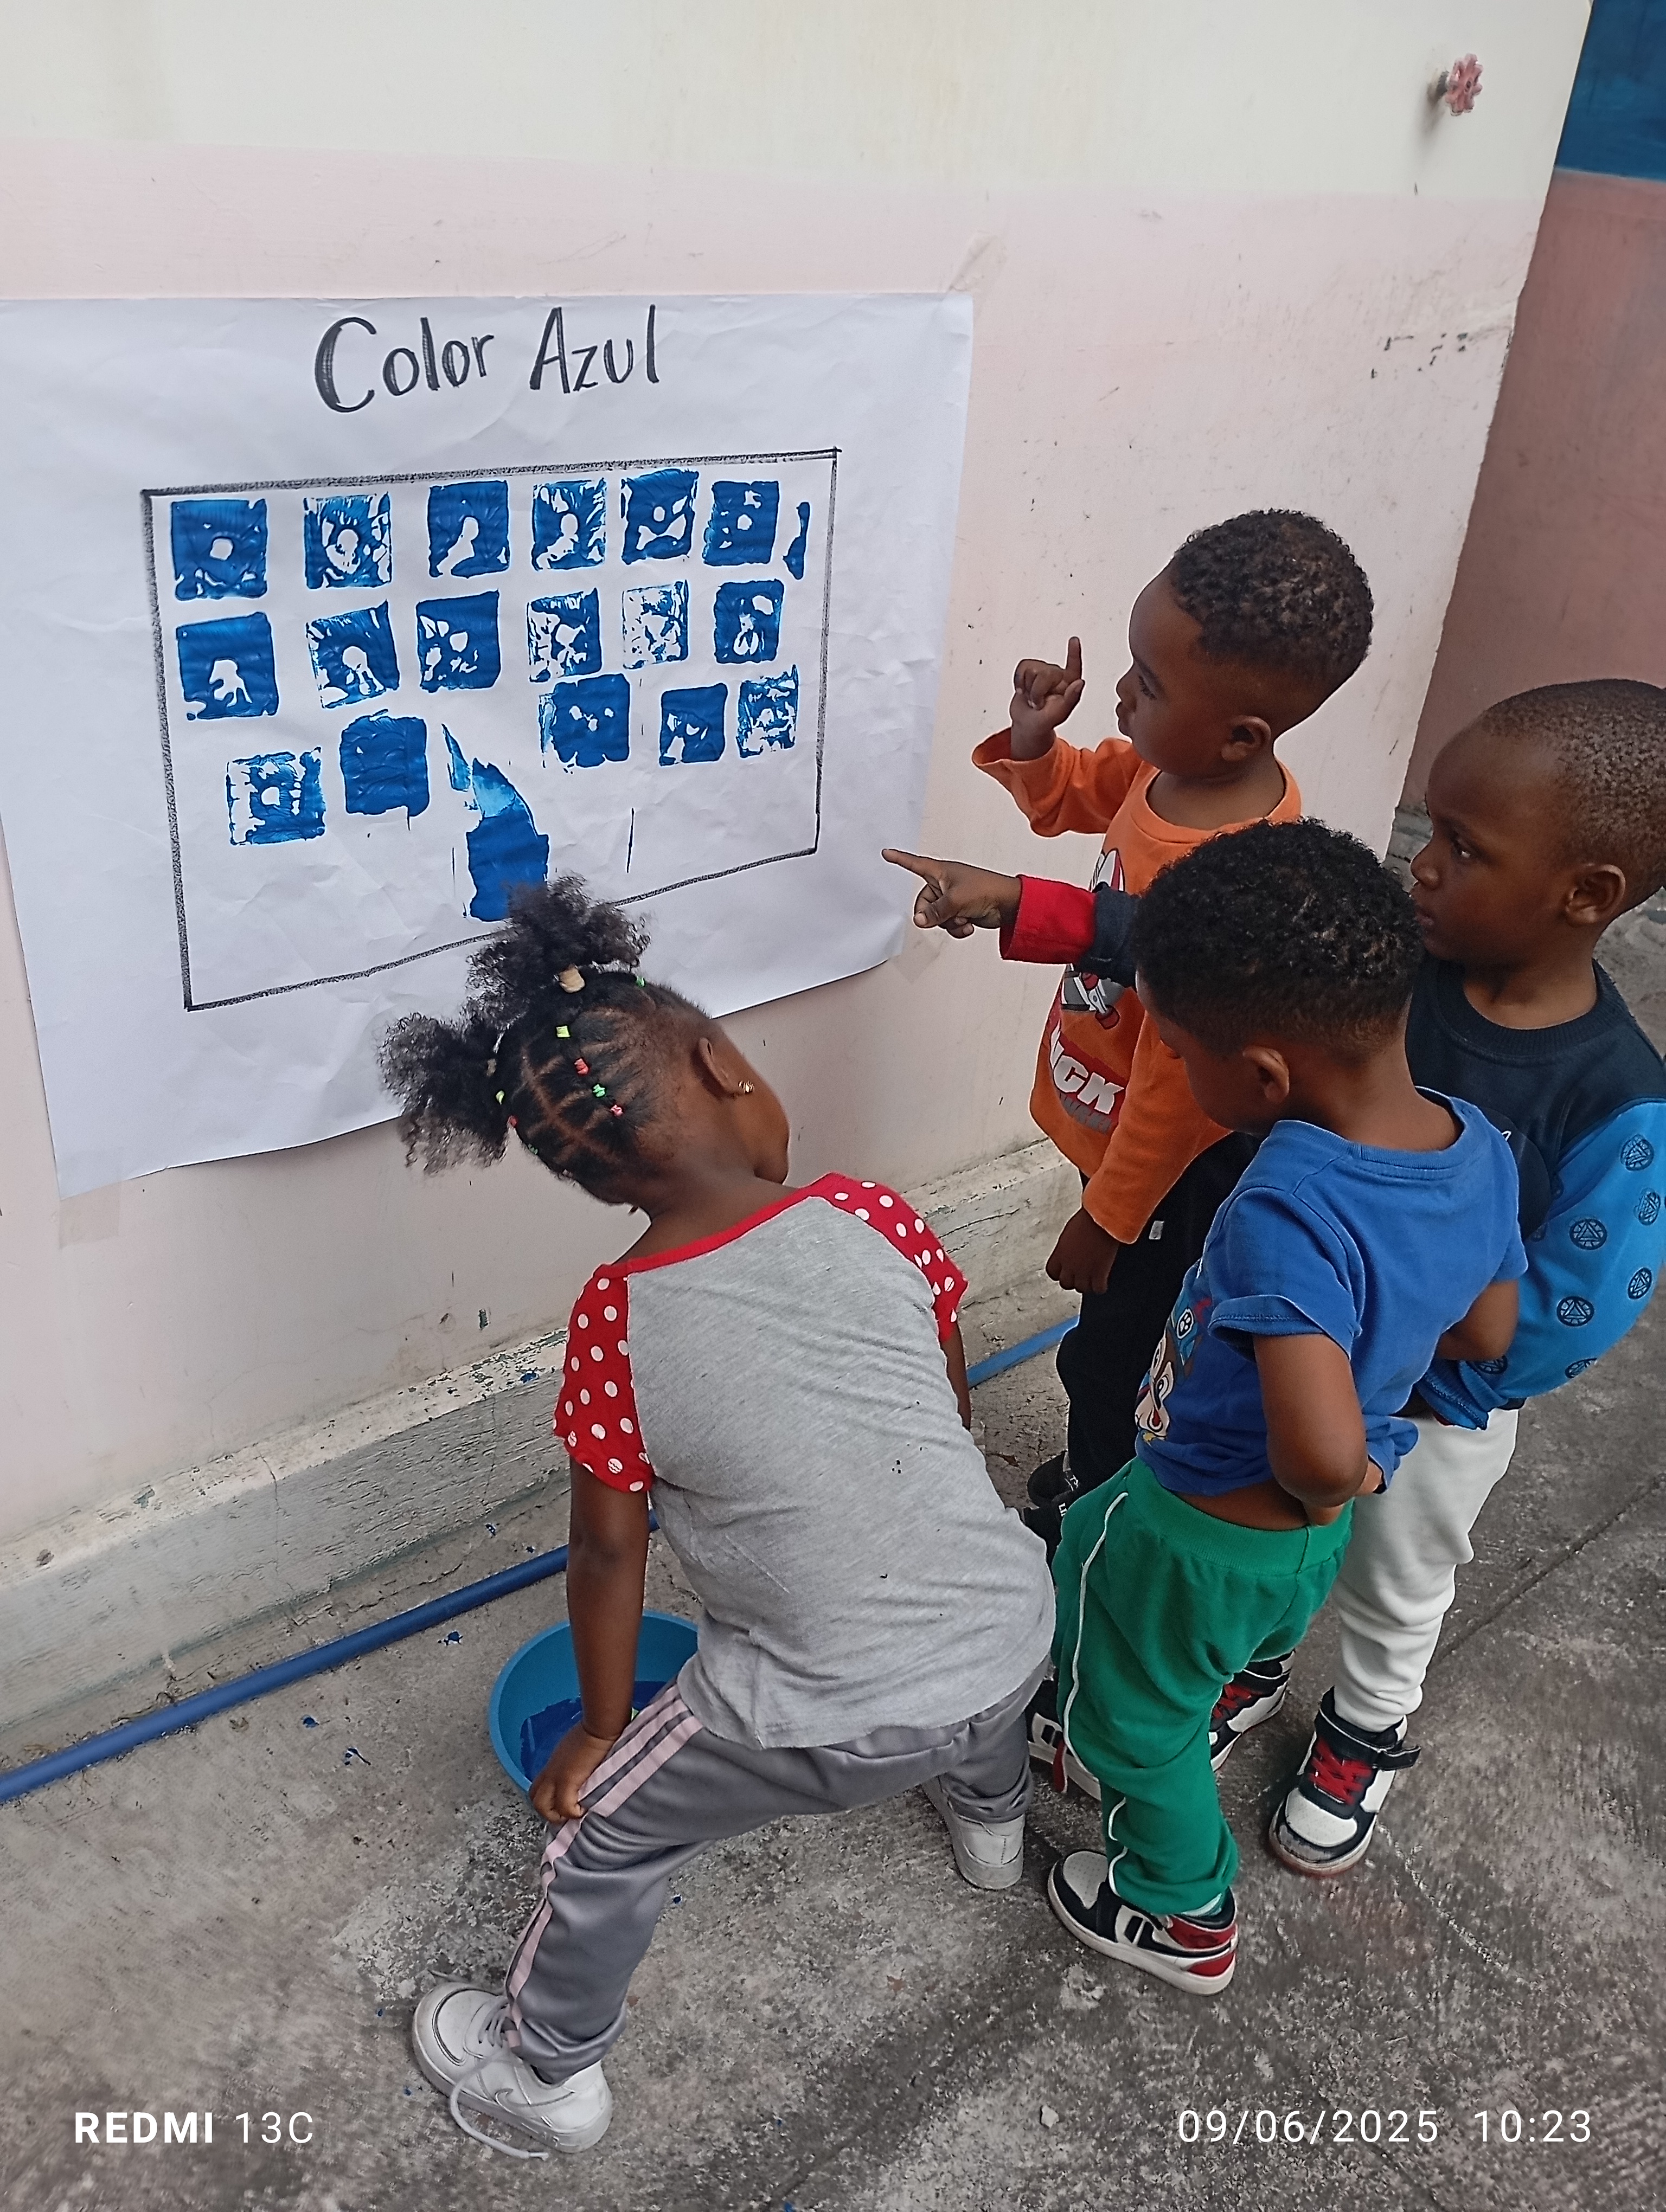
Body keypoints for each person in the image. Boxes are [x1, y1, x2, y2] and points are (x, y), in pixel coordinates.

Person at [379, 879, 1053, 2155]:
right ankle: (992, 1831)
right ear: (727, 1065)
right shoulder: (872, 1213)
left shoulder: (616, 1321)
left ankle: (545, 2072)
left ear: (588, 1174)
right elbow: (949, 1406)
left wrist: (600, 1729)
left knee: (604, 1839)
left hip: (833, 1712)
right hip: (1018, 1623)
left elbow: (608, 1547)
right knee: (970, 1657)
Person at [1021, 821, 1526, 1992]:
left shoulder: (1285, 1205)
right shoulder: (1475, 1146)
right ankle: (1140, 1706)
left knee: (1137, 1723)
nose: (1173, 1064)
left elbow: (1319, 1452)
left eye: (1177, 1048)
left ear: (1261, 1076)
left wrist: (1349, 1459)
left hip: (1201, 1527)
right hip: (1296, 1550)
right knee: (1116, 1580)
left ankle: (1177, 1908)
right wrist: (1368, 1405)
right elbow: (1488, 1333)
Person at [1213, 683, 1666, 1872]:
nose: (1421, 864)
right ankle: (1259, 1660)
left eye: (1463, 847)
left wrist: (1436, 1372)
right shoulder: (1397, 976)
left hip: (1437, 1408)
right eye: (1433, 828)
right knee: (1274, 1521)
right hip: (1302, 1352)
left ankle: (1364, 1726)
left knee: (1397, 1574)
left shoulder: (1617, 1100)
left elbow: (1584, 1299)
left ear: (1586, 895)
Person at [960, 511, 1373, 1546]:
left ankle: (1098, 1504)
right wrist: (1033, 740)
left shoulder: (1227, 874)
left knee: (1117, 1348)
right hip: (1118, 1134)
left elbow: (1176, 1089)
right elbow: (1072, 794)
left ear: (1242, 735)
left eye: (1148, 683)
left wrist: (1110, 1218)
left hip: (1167, 1170)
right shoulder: (1170, 770)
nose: (1120, 692)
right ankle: (1098, 1461)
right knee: (1113, 1334)